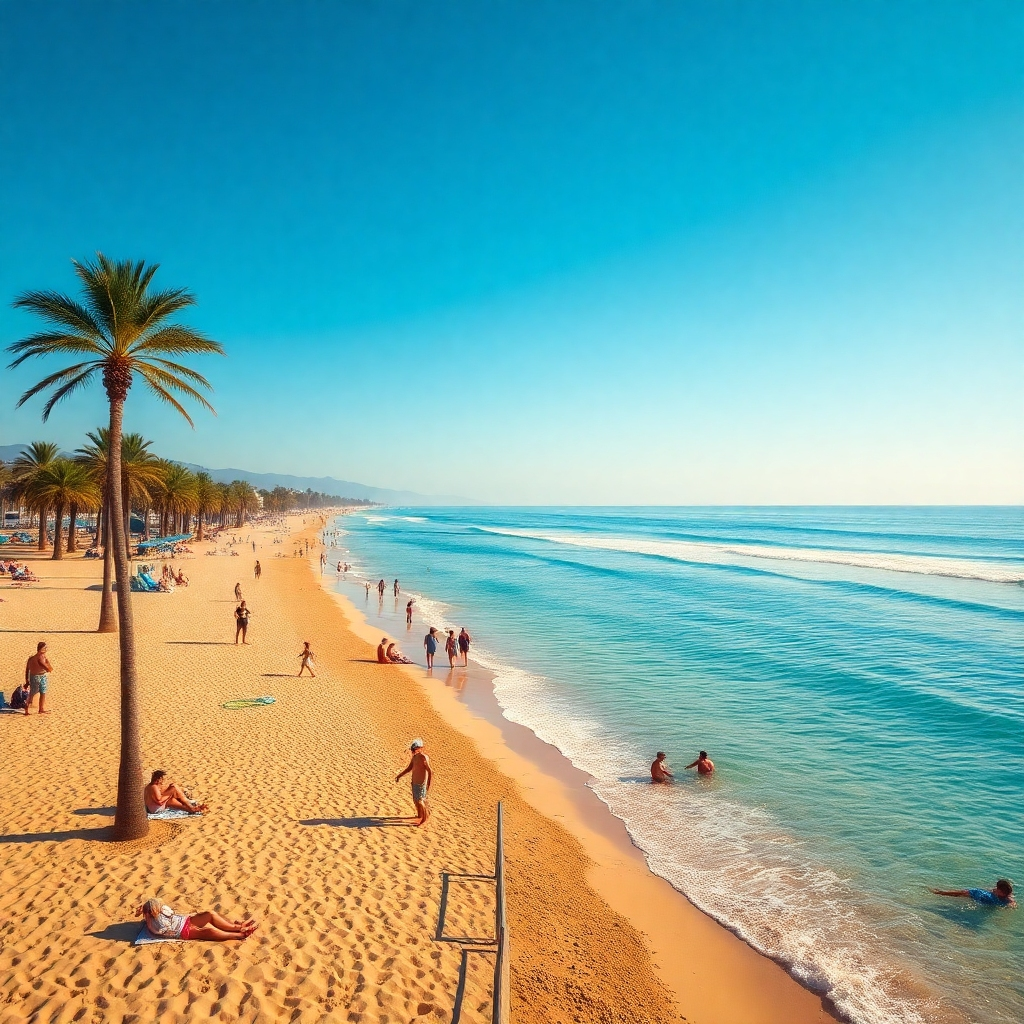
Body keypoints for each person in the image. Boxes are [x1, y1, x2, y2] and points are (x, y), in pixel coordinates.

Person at [139, 898, 257, 941]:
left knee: (209, 914)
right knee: (207, 931)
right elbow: (159, 932)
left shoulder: (161, 909)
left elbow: (167, 910)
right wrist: (148, 918)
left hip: (185, 920)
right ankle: (237, 935)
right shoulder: (153, 924)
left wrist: (143, 908)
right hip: (182, 931)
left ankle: (237, 927)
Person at [395, 738, 432, 826]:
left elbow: (430, 771)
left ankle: (425, 818)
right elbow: (409, 768)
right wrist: (399, 775)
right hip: (414, 783)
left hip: (421, 783)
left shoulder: (424, 757)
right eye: (412, 749)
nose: (413, 751)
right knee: (416, 800)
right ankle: (420, 815)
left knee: (420, 800)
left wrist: (428, 784)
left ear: (420, 748)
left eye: (415, 749)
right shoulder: (415, 757)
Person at [930, 880, 1015, 908]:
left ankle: (941, 892)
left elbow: (1012, 904)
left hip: (982, 897)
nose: (995, 888)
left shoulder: (1008, 899)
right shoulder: (1004, 896)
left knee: (961, 893)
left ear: (1001, 892)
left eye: (997, 888)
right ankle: (941, 893)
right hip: (980, 895)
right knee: (961, 893)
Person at [25, 641, 53, 714]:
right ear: (41, 649)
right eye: (45, 648)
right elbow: (45, 666)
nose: (46, 649)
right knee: (37, 692)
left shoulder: (32, 658)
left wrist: (27, 680)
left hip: (35, 676)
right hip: (38, 676)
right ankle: (35, 708)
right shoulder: (40, 657)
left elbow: (27, 670)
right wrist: (49, 667)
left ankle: (34, 709)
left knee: (39, 692)